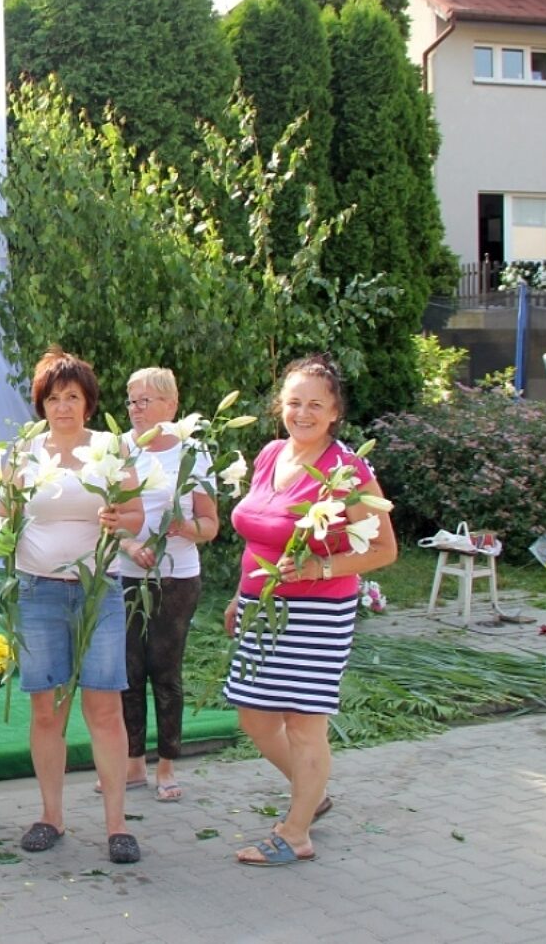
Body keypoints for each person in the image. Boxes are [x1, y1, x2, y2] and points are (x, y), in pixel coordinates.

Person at [222, 355, 397, 868]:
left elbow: (384, 549)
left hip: (316, 613)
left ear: (335, 411)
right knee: (254, 715)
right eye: (294, 402)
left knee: (303, 723)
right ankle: (310, 791)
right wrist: (239, 595)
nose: (302, 413)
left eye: (315, 405)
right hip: (260, 606)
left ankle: (296, 832)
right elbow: (258, 535)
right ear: (280, 405)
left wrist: (320, 568)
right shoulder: (270, 455)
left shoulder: (347, 470)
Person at [6, 349, 145, 865]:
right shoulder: (23, 452)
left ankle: (117, 825)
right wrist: (2, 535)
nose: (62, 407)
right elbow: (4, 513)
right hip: (38, 591)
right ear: (41, 405)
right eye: (53, 398)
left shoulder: (109, 449)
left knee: (104, 708)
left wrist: (119, 521)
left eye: (72, 397)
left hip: (97, 589)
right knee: (48, 710)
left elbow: (135, 515)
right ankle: (51, 816)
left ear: (88, 402)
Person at [108, 367, 219, 802]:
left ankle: (167, 764)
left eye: (145, 401)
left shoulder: (193, 453)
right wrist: (131, 545)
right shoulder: (118, 450)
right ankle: (133, 761)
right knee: (128, 670)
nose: (135, 409)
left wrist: (185, 527)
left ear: (171, 406)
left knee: (165, 670)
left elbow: (211, 524)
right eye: (131, 401)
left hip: (177, 576)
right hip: (127, 574)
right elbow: (107, 519)